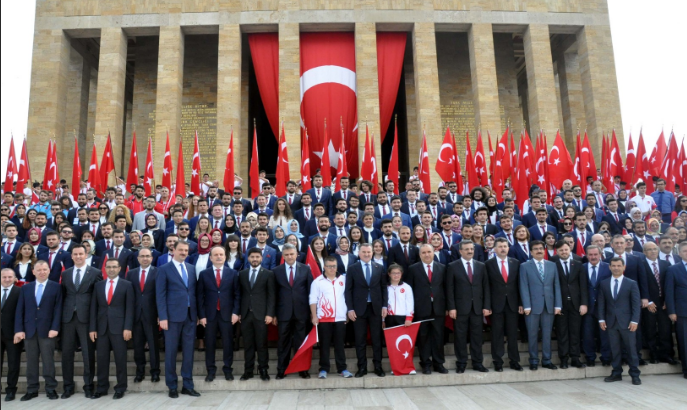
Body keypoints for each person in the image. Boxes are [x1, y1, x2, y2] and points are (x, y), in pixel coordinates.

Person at [156, 241, 200, 398]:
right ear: (173, 250)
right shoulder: (163, 269)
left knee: (189, 352)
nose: (183, 252)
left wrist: (197, 315)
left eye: (186, 250)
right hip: (172, 317)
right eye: (180, 250)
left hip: (190, 316)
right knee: (171, 352)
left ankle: (188, 385)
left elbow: (193, 293)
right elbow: (160, 295)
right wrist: (163, 317)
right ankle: (172, 386)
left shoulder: (191, 268)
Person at [13, 260, 62, 401]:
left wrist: (55, 328)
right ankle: (32, 389)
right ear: (33, 272)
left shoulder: (56, 287)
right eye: (39, 270)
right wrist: (19, 329)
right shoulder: (26, 288)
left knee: (48, 361)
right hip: (29, 330)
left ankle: (50, 388)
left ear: (49, 271)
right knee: (31, 362)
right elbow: (20, 310)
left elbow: (58, 309)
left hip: (48, 330)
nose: (42, 272)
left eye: (44, 269)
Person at [60, 245, 102, 399]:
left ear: (86, 255)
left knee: (87, 353)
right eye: (75, 254)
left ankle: (88, 386)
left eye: (81, 254)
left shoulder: (95, 272)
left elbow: (98, 297)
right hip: (68, 318)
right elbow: (63, 295)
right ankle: (68, 387)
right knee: (66, 354)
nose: (78, 256)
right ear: (71, 256)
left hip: (86, 318)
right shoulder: (65, 273)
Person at [89, 259, 134, 399]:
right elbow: (94, 308)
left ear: (119, 268)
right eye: (108, 267)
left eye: (114, 267)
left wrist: (128, 327)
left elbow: (130, 308)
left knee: (120, 359)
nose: (111, 269)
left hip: (119, 329)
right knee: (102, 359)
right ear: (105, 269)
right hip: (101, 328)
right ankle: (102, 388)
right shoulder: (98, 285)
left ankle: (120, 388)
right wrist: (92, 328)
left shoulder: (127, 285)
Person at [446, 240, 491, 373]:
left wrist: (486, 306)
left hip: (477, 308)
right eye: (467, 249)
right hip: (460, 308)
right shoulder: (452, 266)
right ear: (460, 251)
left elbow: (486, 287)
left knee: (477, 337)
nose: (470, 251)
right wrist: (451, 307)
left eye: (471, 249)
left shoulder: (481, 266)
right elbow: (449, 289)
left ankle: (478, 363)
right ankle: (461, 363)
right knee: (460, 337)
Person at [344, 243, 388, 377]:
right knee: (360, 340)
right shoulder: (352, 268)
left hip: (375, 308)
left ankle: (378, 366)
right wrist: (350, 309)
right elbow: (348, 290)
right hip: (359, 309)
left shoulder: (379, 267)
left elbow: (383, 288)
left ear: (372, 253)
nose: (367, 254)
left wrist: (384, 306)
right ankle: (362, 367)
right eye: (364, 252)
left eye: (369, 252)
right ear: (359, 253)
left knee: (376, 339)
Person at [198, 246, 240, 381]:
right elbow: (200, 296)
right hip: (209, 315)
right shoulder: (204, 274)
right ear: (210, 258)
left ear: (225, 257)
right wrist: (202, 315)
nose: (218, 257)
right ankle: (211, 371)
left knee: (228, 343)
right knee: (210, 344)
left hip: (227, 315)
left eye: (221, 254)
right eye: (215, 255)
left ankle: (228, 369)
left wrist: (235, 312)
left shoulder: (233, 273)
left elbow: (237, 295)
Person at [271, 244, 313, 379]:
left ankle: (302, 369)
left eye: (291, 254)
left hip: (302, 312)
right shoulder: (276, 271)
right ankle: (281, 370)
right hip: (283, 313)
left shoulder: (306, 269)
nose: (289, 257)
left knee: (301, 342)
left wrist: (312, 312)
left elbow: (311, 292)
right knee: (283, 342)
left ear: (297, 255)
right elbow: (273, 294)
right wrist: (273, 313)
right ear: (283, 256)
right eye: (286, 254)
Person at [598, 257, 642, 385]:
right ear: (610, 267)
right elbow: (601, 303)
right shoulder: (604, 283)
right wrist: (601, 319)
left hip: (627, 322)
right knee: (614, 349)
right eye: (613, 265)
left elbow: (636, 304)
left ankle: (635, 374)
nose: (616, 268)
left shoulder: (631, 283)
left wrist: (635, 321)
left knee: (631, 349)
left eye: (619, 265)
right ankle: (616, 372)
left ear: (624, 267)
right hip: (611, 322)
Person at [406, 244, 448, 374]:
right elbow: (409, 291)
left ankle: (438, 363)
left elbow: (446, 288)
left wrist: (447, 307)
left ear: (433, 252)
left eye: (429, 252)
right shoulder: (412, 269)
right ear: (420, 255)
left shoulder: (442, 268)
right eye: (423, 252)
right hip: (421, 309)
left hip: (438, 308)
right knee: (423, 337)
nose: (427, 255)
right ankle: (425, 364)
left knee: (438, 337)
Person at [519, 240, 561, 370]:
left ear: (544, 250)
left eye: (541, 249)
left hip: (549, 305)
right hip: (532, 307)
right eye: (536, 249)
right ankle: (533, 360)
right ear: (531, 252)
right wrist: (526, 305)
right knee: (532, 334)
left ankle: (547, 360)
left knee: (547, 334)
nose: (539, 251)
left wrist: (558, 305)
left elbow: (556, 286)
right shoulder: (525, 266)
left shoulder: (552, 265)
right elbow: (523, 286)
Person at [310, 256, 352, 379]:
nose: (332, 269)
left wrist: (347, 313)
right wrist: (314, 316)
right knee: (324, 345)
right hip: (324, 318)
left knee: (340, 345)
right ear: (324, 267)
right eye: (329, 266)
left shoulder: (344, 279)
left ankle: (342, 369)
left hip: (340, 318)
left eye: (334, 266)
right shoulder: (317, 281)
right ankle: (323, 369)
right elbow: (313, 300)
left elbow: (348, 297)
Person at [485, 237, 523, 371]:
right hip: (496, 305)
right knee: (497, 334)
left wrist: (521, 303)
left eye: (505, 246)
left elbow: (519, 285)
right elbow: (486, 287)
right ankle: (498, 361)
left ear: (508, 248)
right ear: (495, 249)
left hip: (512, 304)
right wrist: (487, 305)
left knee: (513, 333)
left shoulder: (515, 263)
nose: (503, 249)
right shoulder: (488, 264)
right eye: (500, 246)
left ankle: (514, 361)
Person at [239, 248, 275, 381]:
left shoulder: (268, 274)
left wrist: (270, 314)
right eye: (252, 257)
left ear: (261, 258)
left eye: (257, 257)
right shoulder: (242, 274)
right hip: (246, 315)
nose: (255, 259)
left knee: (261, 344)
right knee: (248, 344)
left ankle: (263, 369)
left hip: (262, 315)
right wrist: (239, 313)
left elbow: (271, 296)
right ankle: (248, 370)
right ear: (248, 258)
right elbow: (240, 295)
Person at [550, 240, 588, 369]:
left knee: (575, 332)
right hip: (560, 304)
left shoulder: (578, 264)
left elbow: (583, 286)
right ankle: (564, 359)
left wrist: (584, 304)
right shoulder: (552, 265)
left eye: (566, 249)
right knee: (562, 332)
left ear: (570, 249)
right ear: (557, 252)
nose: (564, 252)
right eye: (561, 250)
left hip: (575, 304)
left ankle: (575, 358)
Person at [126, 248, 161, 383]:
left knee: (153, 345)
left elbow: (160, 295)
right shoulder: (131, 273)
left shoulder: (158, 272)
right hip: (136, 315)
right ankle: (140, 372)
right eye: (142, 256)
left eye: (147, 256)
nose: (145, 258)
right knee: (138, 345)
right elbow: (129, 295)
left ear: (152, 258)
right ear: (138, 258)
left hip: (152, 314)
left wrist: (160, 314)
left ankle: (155, 372)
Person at [640, 241, 676, 364]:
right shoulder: (641, 264)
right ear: (644, 252)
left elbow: (669, 284)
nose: (653, 251)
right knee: (650, 329)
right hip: (649, 302)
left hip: (663, 302)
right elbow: (640, 284)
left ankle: (666, 355)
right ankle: (653, 355)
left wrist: (668, 301)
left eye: (655, 249)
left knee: (665, 329)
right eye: (649, 249)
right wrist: (647, 300)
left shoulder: (666, 264)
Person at [580, 245, 612, 367]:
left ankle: (606, 357)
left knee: (605, 334)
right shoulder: (581, 268)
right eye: (590, 255)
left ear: (600, 255)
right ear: (586, 255)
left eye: (595, 254)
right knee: (587, 334)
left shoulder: (608, 268)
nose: (593, 257)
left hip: (604, 307)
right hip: (587, 307)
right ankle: (590, 357)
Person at [665, 242, 687, 379]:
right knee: (684, 341)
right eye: (685, 251)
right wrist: (672, 311)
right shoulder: (673, 269)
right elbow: (669, 292)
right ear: (679, 253)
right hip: (682, 311)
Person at [1, 268, 21, 401]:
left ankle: (11, 390)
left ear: (14, 278)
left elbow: (22, 312)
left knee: (13, 364)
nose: (7, 279)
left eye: (10, 277)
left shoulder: (19, 292)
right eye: (4, 277)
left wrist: (19, 331)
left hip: (13, 334)